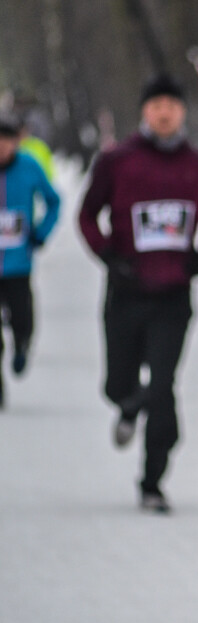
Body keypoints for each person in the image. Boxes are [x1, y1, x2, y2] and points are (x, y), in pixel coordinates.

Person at [78, 73, 198, 513]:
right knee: (117, 384)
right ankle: (126, 405)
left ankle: (152, 482)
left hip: (172, 296)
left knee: (162, 387)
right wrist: (108, 255)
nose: (164, 112)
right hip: (125, 290)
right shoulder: (118, 161)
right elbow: (87, 215)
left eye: (172, 104)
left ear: (182, 112)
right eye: (156, 104)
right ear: (144, 111)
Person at [0, 110, 61, 409]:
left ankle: (22, 344)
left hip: (17, 262)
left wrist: (40, 233)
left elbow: (53, 201)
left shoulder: (28, 166)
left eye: (6, 141)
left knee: (22, 318)